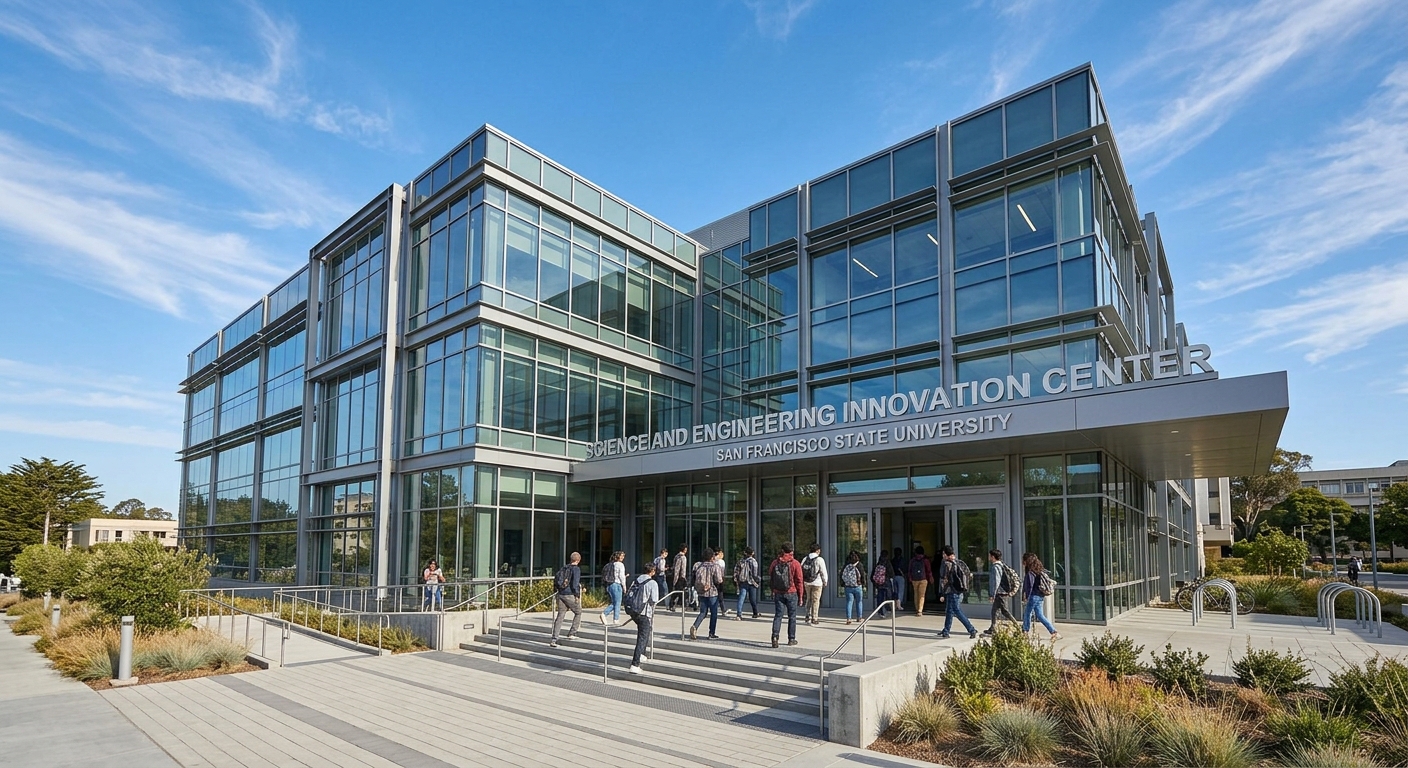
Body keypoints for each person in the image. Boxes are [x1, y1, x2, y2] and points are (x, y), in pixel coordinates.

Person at [622, 562, 661, 675]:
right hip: (644, 612)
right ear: (652, 571)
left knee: (644, 632)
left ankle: (642, 655)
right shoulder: (652, 583)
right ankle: (635, 664)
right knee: (643, 637)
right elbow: (654, 599)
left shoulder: (637, 580)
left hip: (633, 611)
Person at [768, 542, 805, 647]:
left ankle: (775, 636)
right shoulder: (795, 563)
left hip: (778, 593)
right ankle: (791, 638)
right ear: (792, 551)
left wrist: (772, 590)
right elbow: (799, 580)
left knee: (778, 616)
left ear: (782, 550)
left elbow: (771, 576)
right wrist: (801, 596)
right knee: (792, 616)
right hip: (791, 592)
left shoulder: (775, 562)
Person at [937, 545, 977, 639]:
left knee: (956, 611)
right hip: (959, 590)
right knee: (949, 611)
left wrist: (942, 593)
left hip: (951, 591)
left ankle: (971, 629)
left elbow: (944, 579)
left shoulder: (947, 564)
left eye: (943, 553)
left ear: (945, 554)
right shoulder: (958, 562)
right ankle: (946, 630)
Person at [1020, 552, 1060, 640]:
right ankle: (1054, 632)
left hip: (1033, 596)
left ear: (1027, 561)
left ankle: (1025, 631)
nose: (1022, 561)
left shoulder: (1031, 573)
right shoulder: (1039, 570)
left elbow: (1029, 586)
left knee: (1027, 614)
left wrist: (1026, 596)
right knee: (1040, 615)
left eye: (1023, 559)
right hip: (1040, 596)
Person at [549, 552, 583, 648]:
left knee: (560, 616)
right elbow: (575, 583)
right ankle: (572, 633)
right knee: (578, 612)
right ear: (578, 560)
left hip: (561, 594)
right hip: (569, 594)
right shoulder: (576, 569)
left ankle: (554, 639)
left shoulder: (564, 568)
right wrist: (577, 595)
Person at [689, 548, 724, 640]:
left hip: (701, 592)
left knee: (703, 612)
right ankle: (711, 633)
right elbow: (719, 580)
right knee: (714, 613)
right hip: (712, 592)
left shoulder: (698, 566)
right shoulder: (715, 566)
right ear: (712, 556)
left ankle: (695, 626)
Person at [982, 549, 1019, 635]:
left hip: (1000, 593)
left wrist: (992, 594)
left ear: (993, 557)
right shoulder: (1001, 565)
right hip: (1001, 592)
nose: (988, 557)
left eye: (989, 555)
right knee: (994, 611)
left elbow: (996, 581)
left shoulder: (995, 567)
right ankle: (993, 628)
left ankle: (1017, 625)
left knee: (1005, 611)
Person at [802, 543, 828, 625]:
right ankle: (814, 617)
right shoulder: (820, 559)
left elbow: (801, 569)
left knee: (809, 598)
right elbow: (823, 572)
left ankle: (807, 615)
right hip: (817, 582)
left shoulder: (805, 558)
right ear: (818, 550)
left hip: (806, 582)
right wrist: (825, 581)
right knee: (816, 600)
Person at [600, 550, 627, 625]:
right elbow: (621, 577)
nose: (623, 557)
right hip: (616, 585)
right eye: (622, 556)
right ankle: (614, 618)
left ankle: (607, 615)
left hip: (609, 585)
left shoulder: (609, 565)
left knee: (615, 602)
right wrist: (624, 587)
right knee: (617, 602)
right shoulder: (620, 565)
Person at [734, 546, 760, 619]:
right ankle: (755, 613)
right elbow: (755, 573)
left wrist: (736, 580)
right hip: (751, 582)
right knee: (753, 599)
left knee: (741, 598)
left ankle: (739, 614)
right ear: (752, 553)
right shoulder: (753, 561)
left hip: (743, 581)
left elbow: (736, 571)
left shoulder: (741, 561)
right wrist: (757, 580)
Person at [906, 546, 934, 616]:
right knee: (922, 595)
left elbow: (909, 570)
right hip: (923, 579)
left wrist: (910, 577)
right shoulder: (925, 560)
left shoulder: (912, 560)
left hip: (914, 579)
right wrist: (930, 577)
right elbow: (928, 570)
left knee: (916, 594)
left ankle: (916, 608)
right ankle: (920, 610)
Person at [841, 550, 865, 624]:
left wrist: (843, 584)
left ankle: (848, 618)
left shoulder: (846, 566)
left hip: (848, 586)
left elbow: (842, 575)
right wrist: (863, 583)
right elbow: (863, 575)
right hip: (858, 586)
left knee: (849, 602)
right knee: (859, 602)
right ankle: (859, 617)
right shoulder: (859, 565)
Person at [669, 544, 690, 611]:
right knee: (681, 592)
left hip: (675, 576)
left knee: (676, 591)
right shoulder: (683, 557)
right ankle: (683, 605)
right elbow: (683, 568)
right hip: (681, 577)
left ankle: (672, 605)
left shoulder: (676, 556)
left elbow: (675, 567)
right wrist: (683, 577)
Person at [871, 552, 892, 617]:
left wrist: (876, 583)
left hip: (879, 584)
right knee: (888, 597)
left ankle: (880, 611)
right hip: (886, 583)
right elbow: (891, 573)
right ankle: (888, 609)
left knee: (880, 597)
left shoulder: (877, 565)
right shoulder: (888, 564)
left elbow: (872, 576)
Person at [891, 547, 907, 611]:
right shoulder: (903, 560)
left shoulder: (892, 560)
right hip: (900, 576)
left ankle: (894, 605)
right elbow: (905, 568)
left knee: (895, 591)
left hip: (894, 576)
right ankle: (899, 605)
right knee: (900, 591)